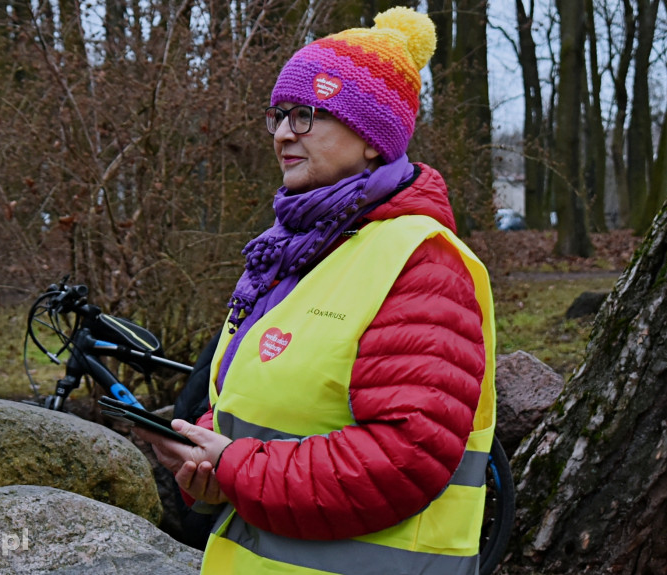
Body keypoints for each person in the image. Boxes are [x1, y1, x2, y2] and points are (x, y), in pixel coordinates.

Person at [137, 8, 496, 574]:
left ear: (374, 139)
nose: (283, 134)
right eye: (279, 116)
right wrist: (201, 455)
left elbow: (406, 459)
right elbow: (261, 407)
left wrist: (235, 466)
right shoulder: (294, 251)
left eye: (307, 116)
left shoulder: (422, 263)